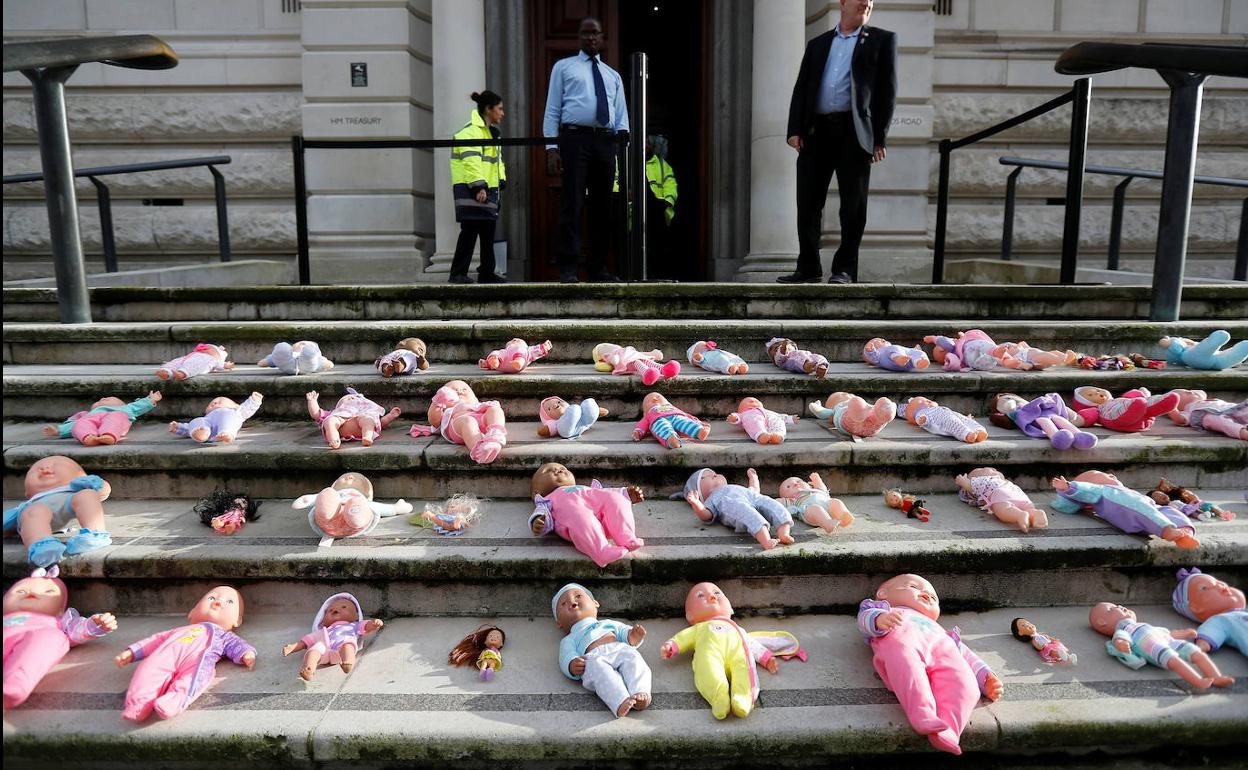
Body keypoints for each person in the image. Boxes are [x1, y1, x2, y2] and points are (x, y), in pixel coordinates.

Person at [780, 0, 897, 284]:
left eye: (870, 0)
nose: (866, 3)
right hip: (816, 132)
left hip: (853, 133)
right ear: (843, 2)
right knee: (807, 202)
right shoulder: (818, 44)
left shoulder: (881, 40)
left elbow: (886, 92)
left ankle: (844, 269)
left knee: (853, 207)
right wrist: (794, 128)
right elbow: (802, 87)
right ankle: (808, 267)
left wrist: (878, 138)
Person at [543, 16, 629, 284]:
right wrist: (551, 147)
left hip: (605, 141)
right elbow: (553, 108)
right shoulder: (564, 67)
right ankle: (568, 266)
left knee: (603, 207)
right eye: (585, 33)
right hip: (575, 139)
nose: (591, 38)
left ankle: (598, 268)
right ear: (579, 37)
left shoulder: (612, 75)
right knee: (572, 202)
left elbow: (621, 113)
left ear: (602, 37)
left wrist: (621, 141)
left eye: (595, 33)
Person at [448, 90, 508, 284]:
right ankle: (457, 273)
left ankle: (486, 273)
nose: (502, 113)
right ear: (488, 109)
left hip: (488, 190)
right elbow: (471, 162)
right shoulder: (469, 132)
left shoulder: (492, 134)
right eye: (499, 109)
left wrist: (501, 180)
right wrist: (478, 188)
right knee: (470, 231)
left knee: (488, 232)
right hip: (474, 190)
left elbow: (497, 161)